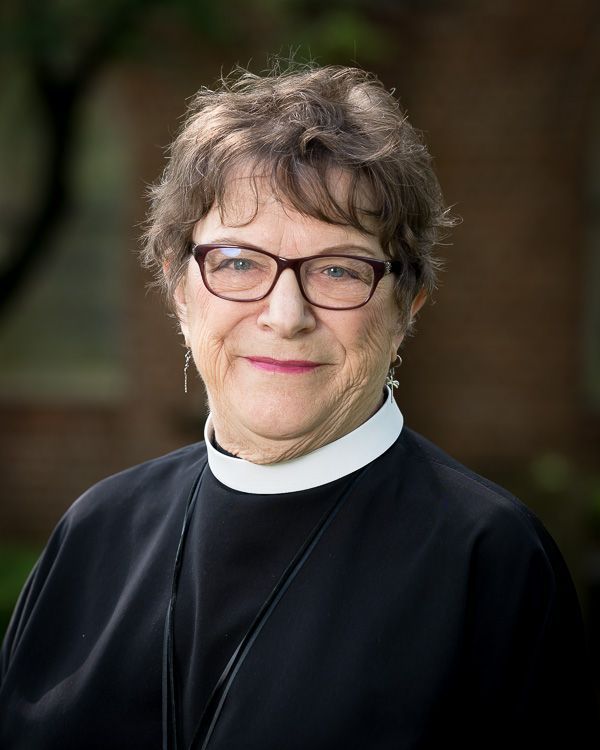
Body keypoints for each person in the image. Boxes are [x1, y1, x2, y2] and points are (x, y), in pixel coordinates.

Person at [0, 63, 597, 750]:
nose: (286, 316)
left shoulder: (488, 560)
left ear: (407, 307)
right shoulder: (95, 531)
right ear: (178, 287)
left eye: (339, 269)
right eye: (238, 262)